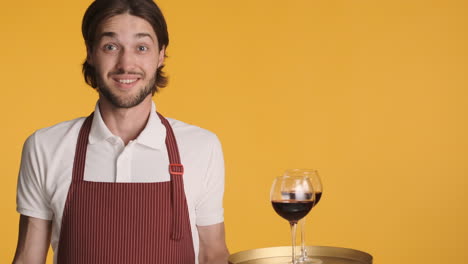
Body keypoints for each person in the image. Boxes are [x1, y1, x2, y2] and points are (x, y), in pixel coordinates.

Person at [12, 0, 229, 263]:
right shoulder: (45, 147)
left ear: (160, 55)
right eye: (111, 47)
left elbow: (212, 255)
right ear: (91, 53)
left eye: (141, 47)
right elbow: (28, 259)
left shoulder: (201, 147)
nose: (126, 64)